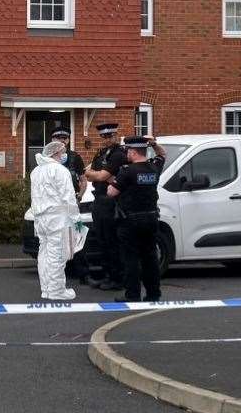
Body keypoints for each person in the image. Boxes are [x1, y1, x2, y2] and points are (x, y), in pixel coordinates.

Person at [107, 135, 167, 302]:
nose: (126, 154)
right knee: (150, 257)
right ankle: (154, 294)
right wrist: (153, 143)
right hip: (151, 218)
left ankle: (132, 295)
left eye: (127, 151)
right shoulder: (154, 167)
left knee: (130, 259)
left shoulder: (128, 171)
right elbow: (163, 154)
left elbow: (111, 192)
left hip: (130, 221)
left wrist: (112, 180)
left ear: (133, 152)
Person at [29, 139, 80, 300]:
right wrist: (76, 218)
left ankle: (46, 289)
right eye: (63, 152)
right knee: (57, 255)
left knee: (44, 254)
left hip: (40, 219)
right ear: (56, 153)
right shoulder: (59, 170)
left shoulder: (36, 171)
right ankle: (57, 291)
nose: (65, 155)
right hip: (57, 218)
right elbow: (68, 197)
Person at [84, 123, 128, 290]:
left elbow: (102, 175)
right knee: (102, 240)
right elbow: (87, 173)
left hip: (111, 202)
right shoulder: (102, 153)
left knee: (112, 241)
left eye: (110, 136)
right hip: (99, 200)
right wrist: (97, 175)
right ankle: (107, 275)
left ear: (116, 136)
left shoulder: (118, 154)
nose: (107, 139)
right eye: (104, 137)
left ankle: (117, 278)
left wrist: (98, 175)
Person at [53, 127, 89, 283]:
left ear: (68, 140)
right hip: (55, 205)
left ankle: (83, 273)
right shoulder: (46, 159)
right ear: (52, 140)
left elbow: (83, 180)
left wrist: (79, 196)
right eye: (58, 138)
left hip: (72, 204)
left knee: (77, 236)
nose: (62, 141)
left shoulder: (75, 158)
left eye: (64, 138)